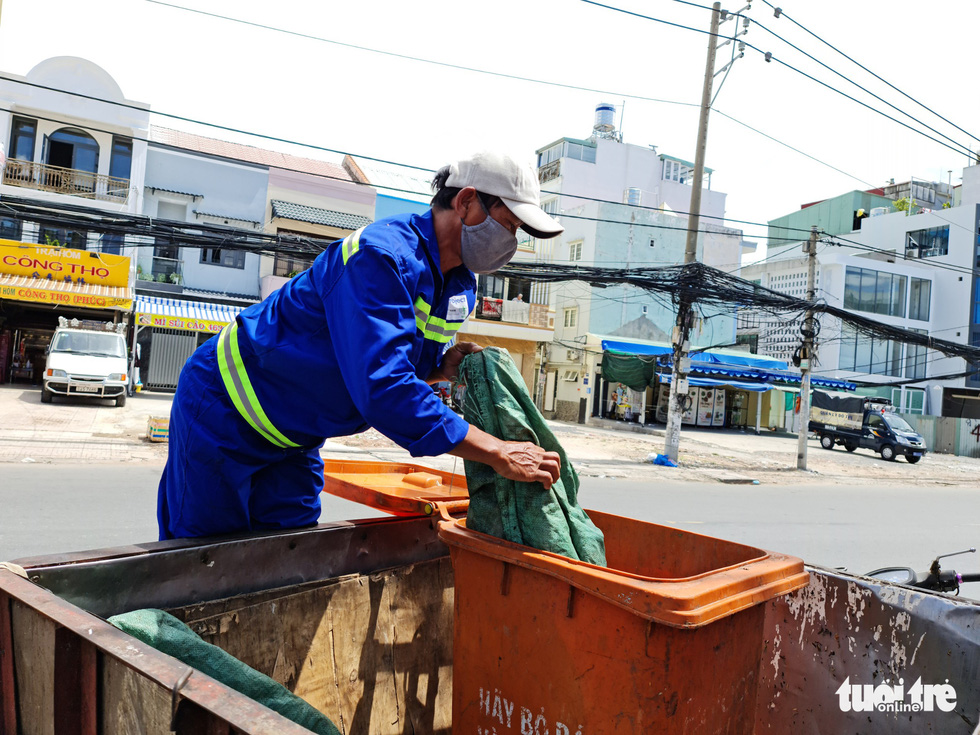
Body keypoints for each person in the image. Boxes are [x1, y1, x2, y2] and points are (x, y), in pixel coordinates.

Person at [157, 151, 564, 539]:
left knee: (283, 556)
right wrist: (497, 451)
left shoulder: (458, 284)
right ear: (467, 202)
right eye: (508, 225)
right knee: (202, 560)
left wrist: (439, 368)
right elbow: (384, 390)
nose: (510, 242)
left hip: (294, 437)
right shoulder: (380, 256)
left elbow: (390, 364)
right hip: (224, 411)